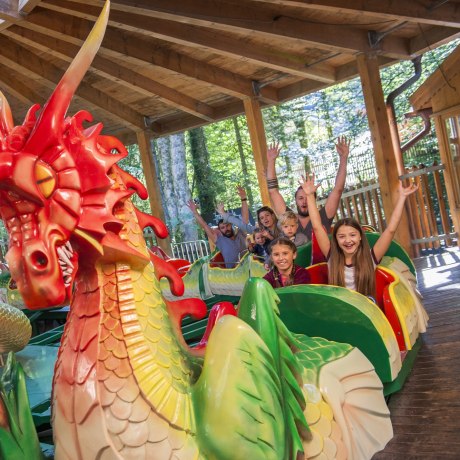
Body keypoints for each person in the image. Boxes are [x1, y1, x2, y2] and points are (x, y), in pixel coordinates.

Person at [300, 173, 418, 297]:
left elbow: (390, 230)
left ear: (360, 236)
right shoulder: (332, 256)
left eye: (352, 235)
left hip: (366, 308)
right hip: (342, 308)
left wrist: (402, 198)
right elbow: (317, 227)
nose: (348, 240)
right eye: (341, 236)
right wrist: (309, 195)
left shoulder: (371, 257)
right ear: (336, 239)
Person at [266, 136, 350, 240]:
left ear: (313, 199)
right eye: (301, 198)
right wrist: (271, 161)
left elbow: (338, 189)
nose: (304, 202)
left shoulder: (324, 215)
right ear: (296, 201)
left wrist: (343, 158)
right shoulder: (287, 217)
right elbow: (273, 191)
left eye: (307, 197)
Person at [187, 199, 247, 268]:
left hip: (250, 267)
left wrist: (243, 199)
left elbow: (245, 219)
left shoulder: (240, 233)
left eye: (227, 225)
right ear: (220, 230)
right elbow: (204, 225)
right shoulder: (219, 240)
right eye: (222, 228)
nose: (226, 229)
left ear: (231, 224)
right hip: (234, 273)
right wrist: (195, 212)